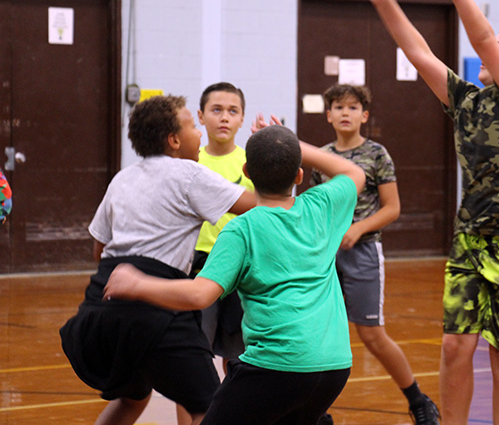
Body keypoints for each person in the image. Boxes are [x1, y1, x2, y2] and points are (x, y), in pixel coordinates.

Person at [355, 0, 499, 425]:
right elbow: (417, 51)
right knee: (452, 347)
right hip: (471, 236)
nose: (485, 47)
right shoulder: (466, 99)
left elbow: (483, 39)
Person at [103, 122, 366, 425]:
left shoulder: (242, 229)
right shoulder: (321, 206)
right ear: (299, 175)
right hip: (333, 367)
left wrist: (137, 284)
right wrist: (294, 144)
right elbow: (354, 172)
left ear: (247, 172)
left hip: (277, 366)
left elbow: (200, 294)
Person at [59, 95, 256, 425]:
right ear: (175, 140)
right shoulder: (190, 173)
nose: (198, 133)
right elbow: (261, 206)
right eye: (192, 126)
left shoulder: (122, 178)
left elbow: (99, 250)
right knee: (210, 408)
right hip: (152, 312)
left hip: (99, 308)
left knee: (133, 398)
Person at [310, 83, 440, 424]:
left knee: (372, 335)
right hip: (324, 257)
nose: (345, 113)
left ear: (364, 116)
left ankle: (418, 401)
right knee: (318, 333)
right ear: (328, 115)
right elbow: (316, 208)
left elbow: (392, 208)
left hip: (364, 251)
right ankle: (316, 411)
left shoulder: (377, 154)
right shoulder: (321, 157)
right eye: (338, 107)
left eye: (353, 108)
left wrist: (357, 229)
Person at [192, 82, 253, 370]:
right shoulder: (191, 162)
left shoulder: (250, 162)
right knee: (194, 355)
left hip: (240, 266)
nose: (224, 117)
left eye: (233, 111)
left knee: (238, 357)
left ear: (242, 118)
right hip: (198, 264)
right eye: (216, 110)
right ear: (201, 116)